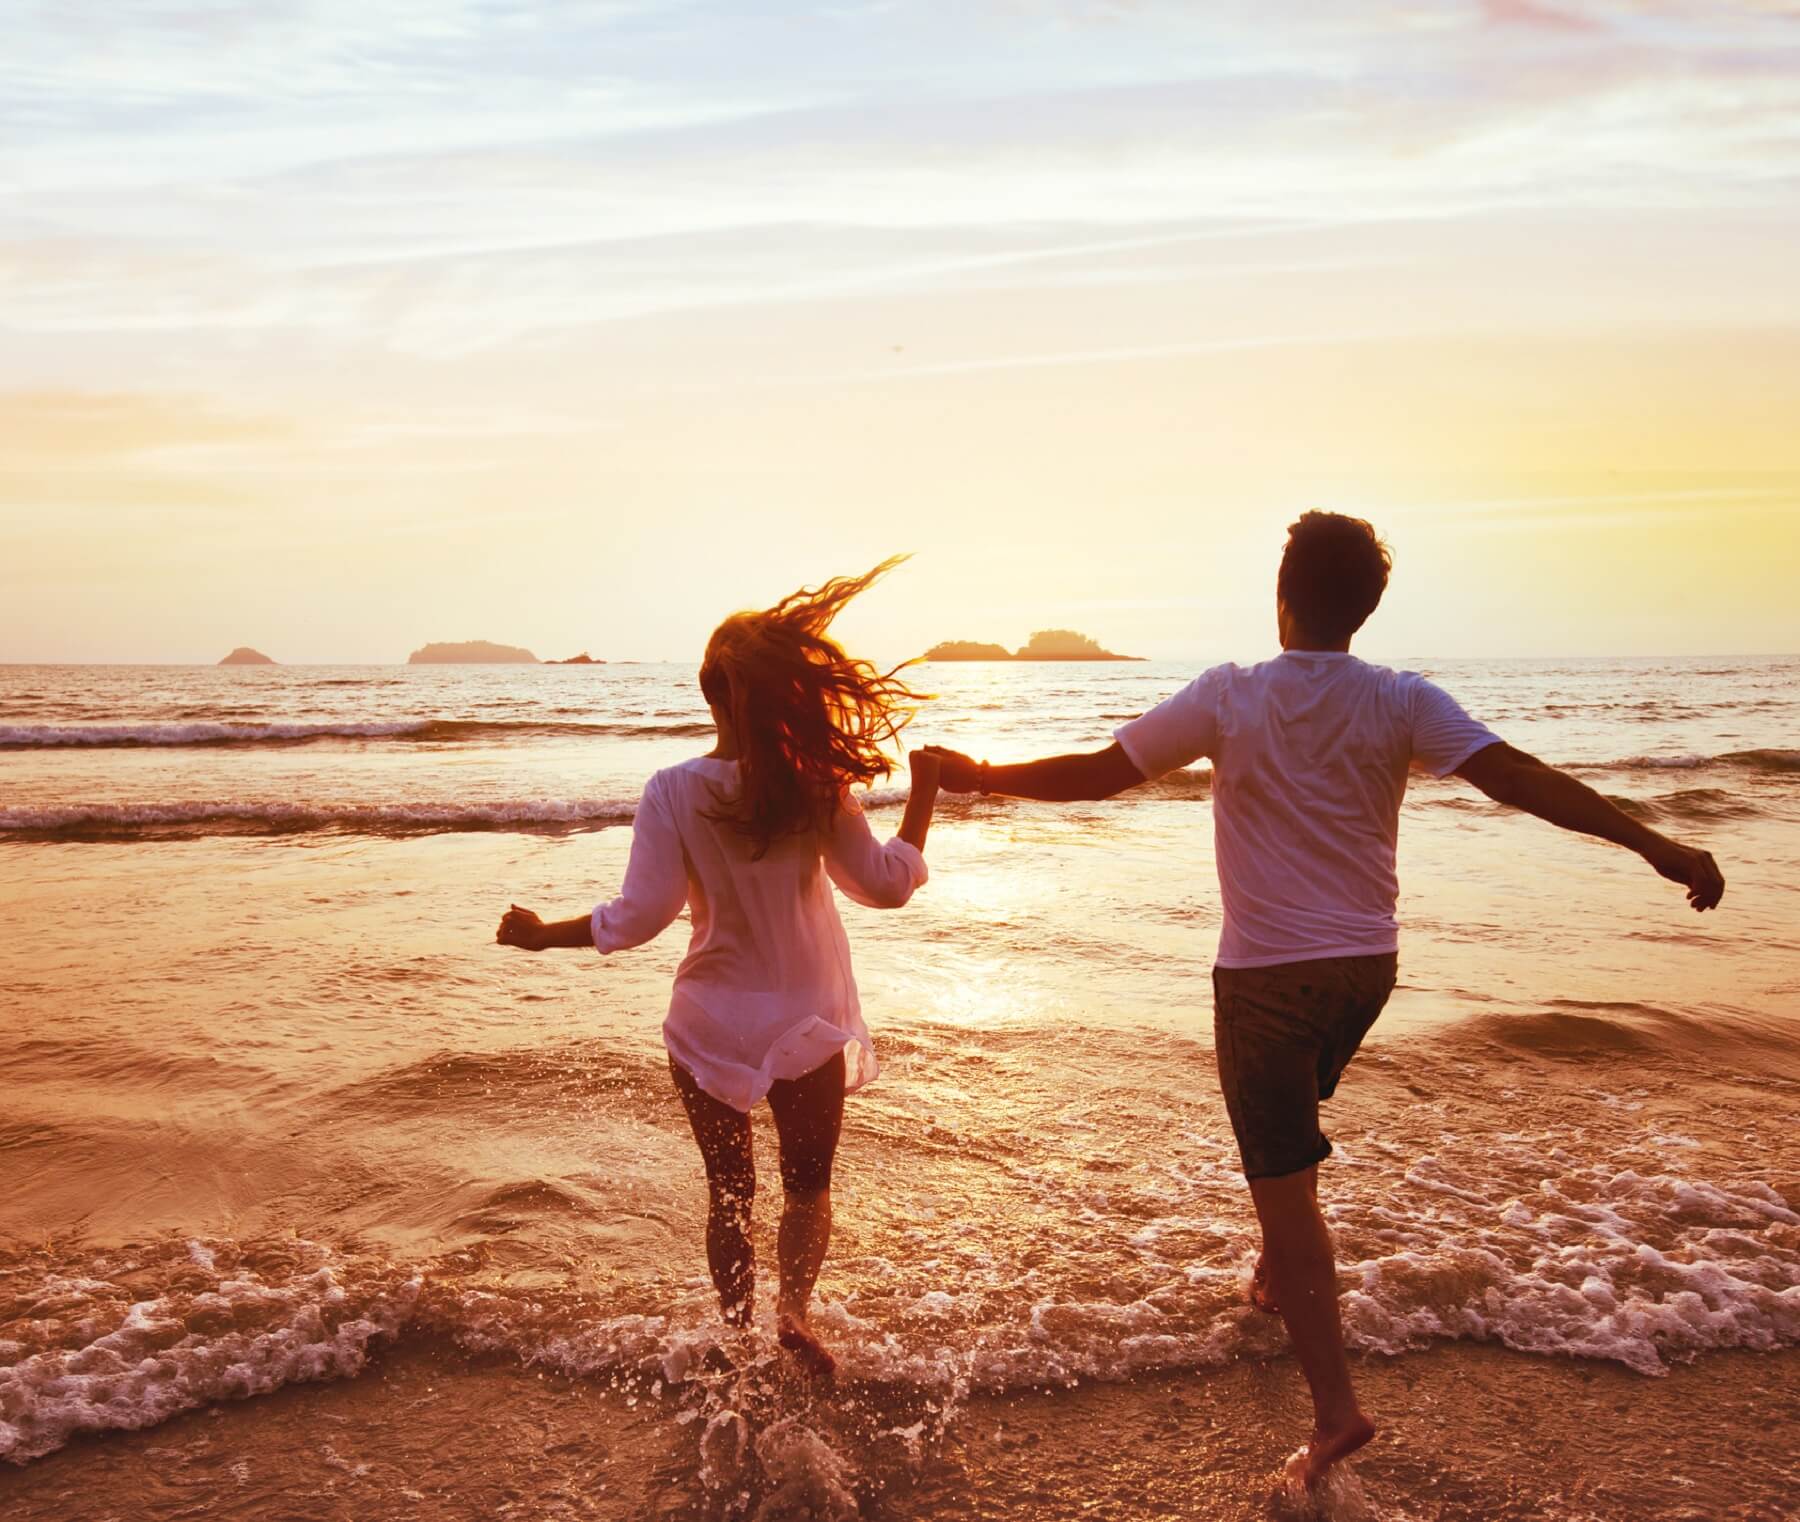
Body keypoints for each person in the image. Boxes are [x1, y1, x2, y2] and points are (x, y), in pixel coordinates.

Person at [924, 511, 1724, 1487]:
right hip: (1365, 976)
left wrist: (984, 777)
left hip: (1265, 982)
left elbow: (1103, 771)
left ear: (1284, 594)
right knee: (1287, 1148)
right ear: (1363, 607)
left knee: (1288, 1187)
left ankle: (1337, 1409)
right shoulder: (1402, 700)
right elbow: (1517, 778)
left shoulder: (1231, 695)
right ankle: (1274, 1268)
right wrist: (1658, 844)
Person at [497, 559, 941, 1378]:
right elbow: (883, 887)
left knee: (729, 1193)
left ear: (709, 693)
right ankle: (794, 1312)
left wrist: (539, 936)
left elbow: (639, 919)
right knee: (806, 1188)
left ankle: (737, 1344)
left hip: (710, 1021)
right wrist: (928, 796)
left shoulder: (672, 789)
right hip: (806, 1021)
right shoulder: (815, 783)